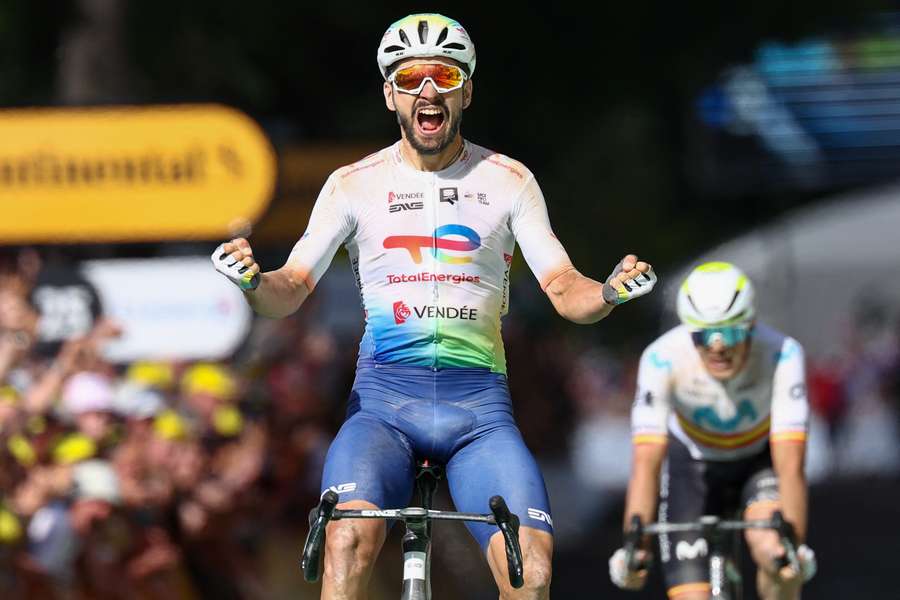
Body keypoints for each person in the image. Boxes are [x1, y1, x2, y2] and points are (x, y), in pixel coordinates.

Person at [213, 13, 657, 599]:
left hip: (479, 415)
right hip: (382, 408)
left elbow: (564, 289)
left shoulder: (509, 180)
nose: (428, 89)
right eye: (412, 75)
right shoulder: (352, 184)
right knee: (346, 545)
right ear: (390, 93)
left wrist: (606, 292)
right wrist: (252, 281)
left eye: (443, 75)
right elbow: (289, 288)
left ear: (466, 90)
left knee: (533, 572)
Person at [608, 262, 816, 600]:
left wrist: (795, 546)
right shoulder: (661, 357)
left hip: (757, 464)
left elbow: (791, 464)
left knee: (776, 554)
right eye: (703, 335)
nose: (717, 346)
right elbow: (646, 462)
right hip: (691, 467)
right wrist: (634, 548)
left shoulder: (783, 354)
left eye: (731, 333)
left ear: (751, 326)